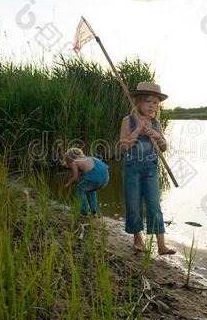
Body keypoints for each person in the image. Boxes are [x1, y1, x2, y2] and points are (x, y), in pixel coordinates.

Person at [119, 81, 176, 255]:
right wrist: (138, 130)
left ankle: (161, 246)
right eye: (148, 102)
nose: (152, 105)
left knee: (154, 204)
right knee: (133, 204)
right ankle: (137, 241)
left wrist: (158, 137)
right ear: (139, 102)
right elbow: (123, 146)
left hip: (150, 169)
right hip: (132, 168)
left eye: (155, 103)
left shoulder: (156, 123)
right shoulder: (128, 120)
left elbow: (164, 147)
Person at [64, 147, 109, 216]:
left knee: (80, 189)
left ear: (70, 159)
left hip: (95, 176)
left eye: (67, 163)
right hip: (106, 177)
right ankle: (94, 212)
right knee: (90, 190)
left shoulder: (74, 162)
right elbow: (81, 177)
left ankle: (84, 211)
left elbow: (76, 178)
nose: (69, 166)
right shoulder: (89, 158)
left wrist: (68, 184)